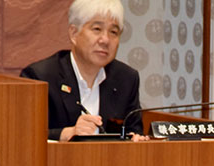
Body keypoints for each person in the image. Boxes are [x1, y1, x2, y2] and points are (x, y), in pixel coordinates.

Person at [20, 0, 144, 141]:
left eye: (113, 32)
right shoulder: (41, 77)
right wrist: (66, 133)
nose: (105, 40)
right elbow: (25, 135)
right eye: (97, 29)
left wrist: (135, 140)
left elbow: (134, 131)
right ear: (74, 33)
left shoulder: (126, 79)